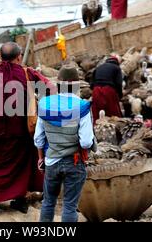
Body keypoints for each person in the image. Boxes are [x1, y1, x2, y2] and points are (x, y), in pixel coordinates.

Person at [0, 42, 45, 215]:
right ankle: (20, 200)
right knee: (23, 165)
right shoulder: (27, 74)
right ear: (19, 56)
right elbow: (47, 87)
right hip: (23, 131)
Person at [34, 66, 95, 222]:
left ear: (58, 83)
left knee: (48, 202)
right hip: (74, 162)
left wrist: (41, 158)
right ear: (76, 84)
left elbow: (38, 138)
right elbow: (87, 142)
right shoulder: (82, 107)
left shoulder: (44, 104)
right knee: (69, 206)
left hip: (51, 161)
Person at [91, 56, 123, 122]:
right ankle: (114, 127)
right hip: (108, 90)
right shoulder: (117, 68)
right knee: (113, 112)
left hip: (96, 89)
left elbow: (91, 83)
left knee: (97, 112)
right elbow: (119, 83)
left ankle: (97, 128)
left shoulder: (98, 68)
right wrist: (120, 95)